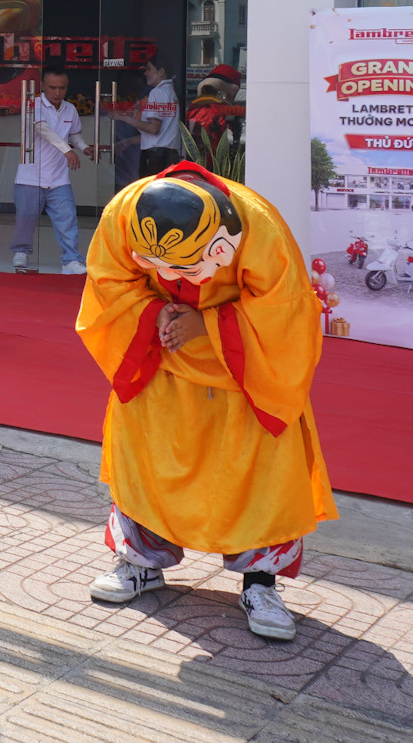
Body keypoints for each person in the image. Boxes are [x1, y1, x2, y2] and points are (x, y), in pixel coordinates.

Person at [76, 162, 336, 643]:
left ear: (222, 247)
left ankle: (260, 584)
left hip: (242, 375)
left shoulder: (258, 225)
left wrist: (205, 324)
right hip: (159, 358)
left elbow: (286, 310)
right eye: (157, 265)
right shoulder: (125, 212)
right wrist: (156, 313)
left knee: (259, 477)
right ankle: (139, 564)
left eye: (186, 268)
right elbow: (108, 280)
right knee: (147, 464)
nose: (170, 277)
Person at [12, 62, 89, 274]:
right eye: (53, 87)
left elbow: (74, 134)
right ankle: (21, 253)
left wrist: (84, 147)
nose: (57, 92)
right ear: (43, 86)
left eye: (62, 88)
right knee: (26, 220)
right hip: (30, 176)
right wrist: (67, 151)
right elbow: (42, 129)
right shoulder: (33, 105)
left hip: (58, 178)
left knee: (68, 221)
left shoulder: (70, 109)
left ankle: (71, 261)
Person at [134, 58, 180, 177]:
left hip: (156, 155)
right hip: (169, 154)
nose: (145, 73)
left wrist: (125, 118)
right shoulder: (170, 92)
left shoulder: (157, 92)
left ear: (161, 72)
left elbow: (154, 128)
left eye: (149, 69)